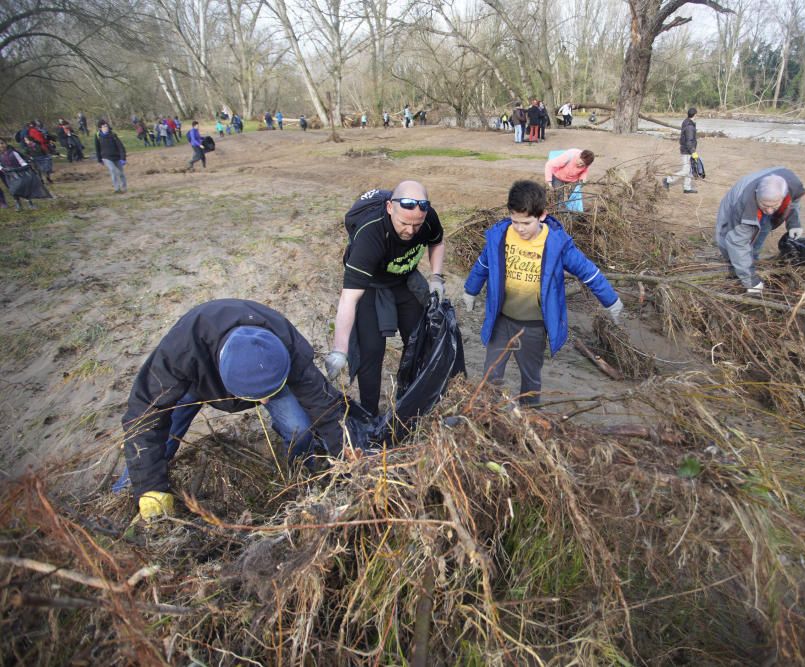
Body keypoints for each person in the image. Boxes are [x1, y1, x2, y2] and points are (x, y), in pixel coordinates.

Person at [118, 299, 352, 519]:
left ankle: (302, 470)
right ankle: (126, 492)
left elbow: (325, 406)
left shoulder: (285, 343)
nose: (265, 404)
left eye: (269, 395)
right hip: (197, 381)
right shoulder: (181, 350)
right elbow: (144, 414)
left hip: (264, 369)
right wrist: (148, 486)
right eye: (259, 398)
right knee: (157, 440)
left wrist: (346, 457)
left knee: (299, 428)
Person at [462, 180, 623, 405]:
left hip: (533, 326)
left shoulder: (557, 243)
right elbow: (483, 264)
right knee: (491, 374)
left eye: (526, 223)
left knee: (530, 379)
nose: (519, 228)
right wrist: (470, 290)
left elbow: (588, 272)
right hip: (502, 321)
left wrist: (611, 300)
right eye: (515, 221)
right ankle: (488, 416)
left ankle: (531, 420)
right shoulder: (500, 236)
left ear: (542, 215)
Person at [325, 181, 446, 415]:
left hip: (405, 279)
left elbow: (437, 241)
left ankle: (412, 401)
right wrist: (340, 350)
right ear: (390, 207)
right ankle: (370, 413)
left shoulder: (428, 217)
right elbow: (348, 298)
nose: (410, 231)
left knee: (418, 340)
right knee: (371, 351)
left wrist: (436, 277)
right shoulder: (370, 235)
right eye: (404, 223)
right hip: (372, 285)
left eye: (416, 225)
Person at [716, 167, 805, 294]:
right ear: (757, 195)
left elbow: (793, 201)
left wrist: (794, 223)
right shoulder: (744, 206)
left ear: (783, 196)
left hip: (760, 204)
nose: (769, 211)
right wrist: (751, 280)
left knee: (756, 243)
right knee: (728, 243)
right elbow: (737, 244)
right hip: (736, 207)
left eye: (774, 206)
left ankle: (751, 263)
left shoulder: (792, 185)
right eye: (765, 205)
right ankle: (736, 277)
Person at [662, 107, 699, 194]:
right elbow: (689, 141)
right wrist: (693, 152)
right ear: (694, 115)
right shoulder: (690, 126)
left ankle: (687, 188)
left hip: (687, 150)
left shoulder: (687, 122)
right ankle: (667, 180)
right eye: (696, 114)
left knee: (689, 170)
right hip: (687, 151)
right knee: (686, 170)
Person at [0, 139, 37, 210]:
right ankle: (18, 203)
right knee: (13, 189)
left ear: (6, 144)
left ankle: (30, 203)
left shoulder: (13, 153)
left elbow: (22, 162)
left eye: (2, 143)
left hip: (19, 173)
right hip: (9, 175)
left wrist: (23, 167)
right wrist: (3, 169)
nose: (1, 145)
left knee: (24, 188)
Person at [94, 120, 127, 193]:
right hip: (106, 157)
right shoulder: (97, 136)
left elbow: (120, 147)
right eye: (104, 126)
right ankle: (117, 189)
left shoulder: (113, 135)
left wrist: (123, 158)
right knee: (113, 170)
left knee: (121, 173)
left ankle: (124, 188)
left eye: (106, 126)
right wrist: (99, 159)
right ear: (100, 128)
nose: (106, 127)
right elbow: (97, 148)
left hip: (116, 156)